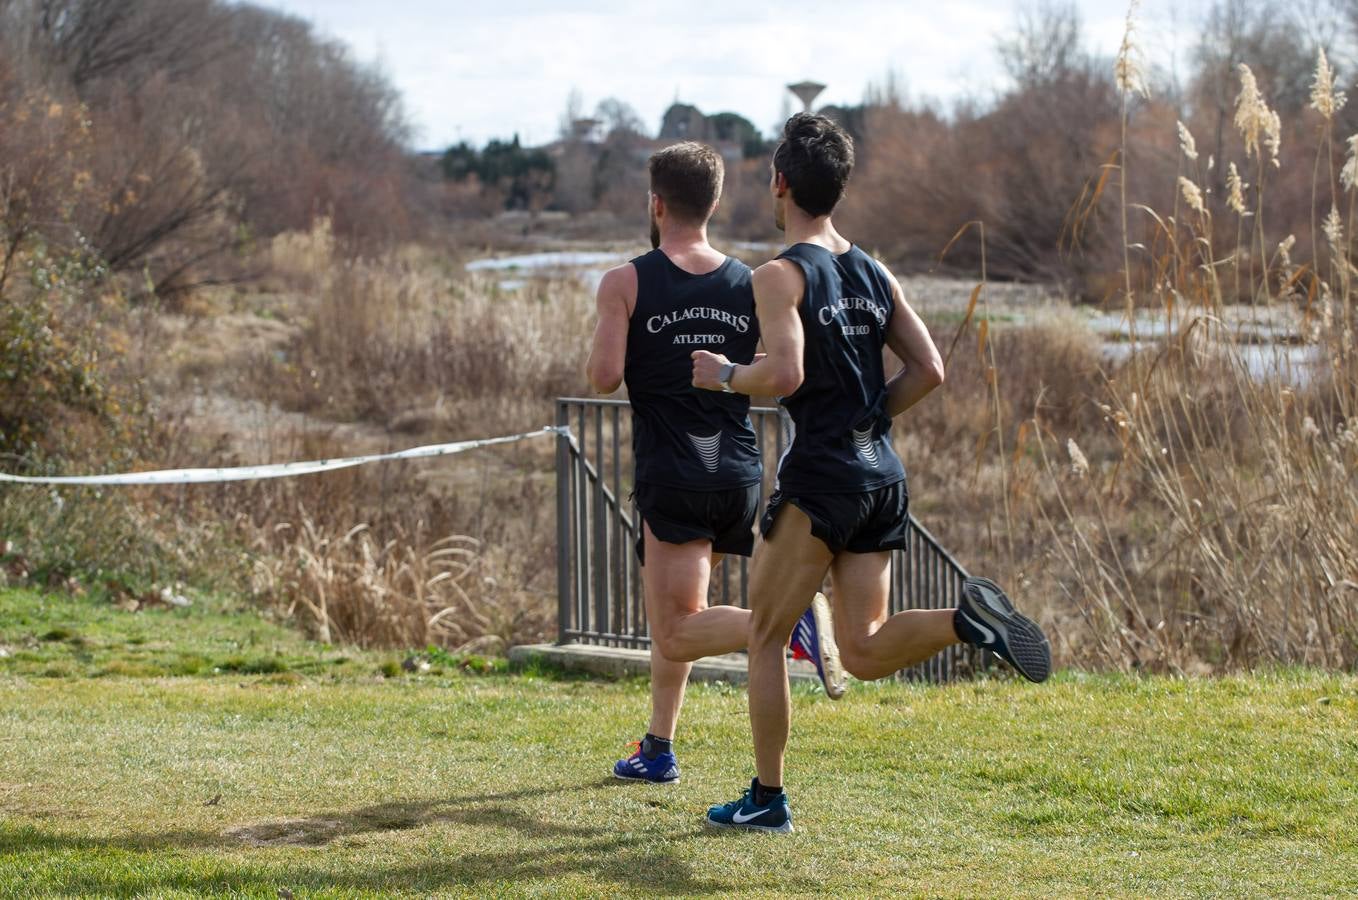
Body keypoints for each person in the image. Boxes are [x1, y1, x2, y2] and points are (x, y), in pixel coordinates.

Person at [692, 114, 1051, 833]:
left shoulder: (778, 275)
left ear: (781, 183)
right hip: (880, 476)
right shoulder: (874, 271)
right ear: (840, 188)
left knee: (766, 637)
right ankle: (966, 621)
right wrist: (870, 418)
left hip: (821, 480)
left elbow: (784, 374)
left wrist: (725, 373)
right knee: (860, 648)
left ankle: (767, 799)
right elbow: (931, 369)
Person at [586, 141, 845, 786]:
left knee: (675, 630)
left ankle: (789, 622)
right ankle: (658, 746)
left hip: (673, 471)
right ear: (716, 202)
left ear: (656, 203)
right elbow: (774, 368)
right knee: (689, 615)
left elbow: (602, 376)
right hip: (736, 473)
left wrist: (629, 331)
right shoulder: (748, 280)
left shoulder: (626, 281)